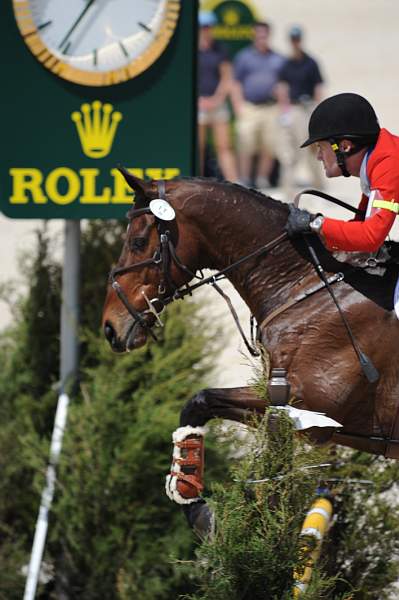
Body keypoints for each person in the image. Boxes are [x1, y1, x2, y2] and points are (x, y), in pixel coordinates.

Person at [285, 92, 399, 255]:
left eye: (320, 147)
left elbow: (371, 237)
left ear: (345, 146)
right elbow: (359, 223)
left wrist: (315, 223)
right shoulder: (376, 159)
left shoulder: (388, 163)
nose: (318, 157)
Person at [232, 21, 285, 188]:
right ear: (254, 36)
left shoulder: (278, 58)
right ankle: (245, 178)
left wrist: (284, 107)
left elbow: (283, 84)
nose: (262, 38)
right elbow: (235, 83)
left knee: (269, 145)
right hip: (250, 107)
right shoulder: (244, 57)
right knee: (245, 141)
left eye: (265, 35)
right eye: (259, 35)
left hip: (271, 107)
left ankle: (262, 178)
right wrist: (238, 105)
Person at [275, 25, 324, 196]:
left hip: (308, 107)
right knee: (291, 149)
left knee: (313, 146)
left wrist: (319, 111)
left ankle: (318, 184)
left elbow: (318, 88)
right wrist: (284, 112)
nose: (295, 42)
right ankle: (288, 188)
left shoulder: (311, 62)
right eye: (293, 39)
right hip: (294, 109)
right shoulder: (286, 64)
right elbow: (282, 88)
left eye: (297, 39)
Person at [198, 10, 238, 182]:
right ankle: (195, 181)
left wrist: (216, 99)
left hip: (217, 103)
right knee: (197, 148)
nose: (206, 30)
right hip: (198, 104)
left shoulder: (220, 49)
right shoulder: (192, 49)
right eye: (203, 26)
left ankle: (235, 184)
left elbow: (226, 78)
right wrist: (198, 100)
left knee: (224, 146)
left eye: (209, 26)